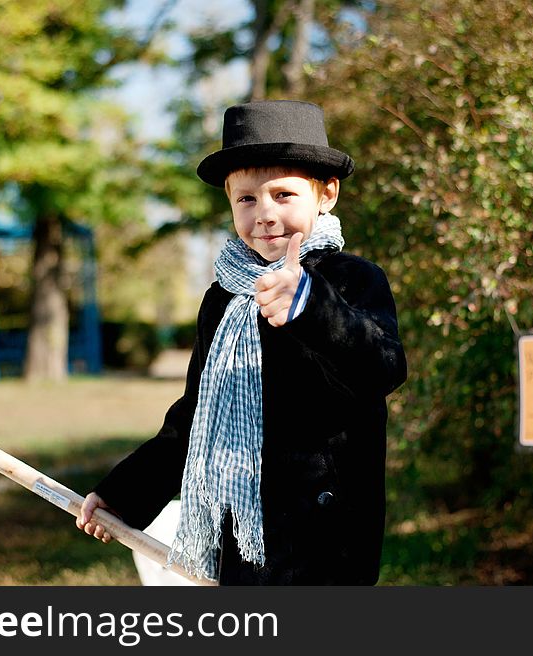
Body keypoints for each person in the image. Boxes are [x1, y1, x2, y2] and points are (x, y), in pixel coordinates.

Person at [76, 99, 407, 585]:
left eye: (284, 195)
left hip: (325, 538)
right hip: (244, 531)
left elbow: (383, 368)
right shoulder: (224, 296)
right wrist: (125, 494)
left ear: (327, 194)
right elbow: (196, 414)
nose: (265, 214)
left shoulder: (352, 280)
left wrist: (309, 307)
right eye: (247, 199)